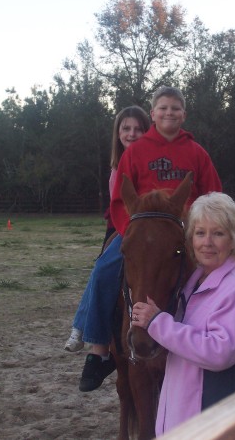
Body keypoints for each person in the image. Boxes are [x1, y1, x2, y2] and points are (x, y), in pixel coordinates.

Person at [70, 85, 222, 393]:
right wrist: (134, 233)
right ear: (152, 114)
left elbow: (213, 193)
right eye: (163, 108)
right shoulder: (136, 152)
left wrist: (204, 226)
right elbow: (118, 200)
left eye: (175, 108)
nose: (169, 113)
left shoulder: (197, 153)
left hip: (188, 230)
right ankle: (98, 349)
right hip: (140, 231)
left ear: (184, 114)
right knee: (103, 272)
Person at [131, 191, 235, 436]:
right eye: (200, 233)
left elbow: (219, 352)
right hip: (185, 419)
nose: (207, 242)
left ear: (233, 239)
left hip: (219, 422)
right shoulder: (193, 284)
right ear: (190, 238)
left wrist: (159, 324)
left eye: (218, 233)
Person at [64, 107, 150, 361]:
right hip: (126, 227)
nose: (132, 134)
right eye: (126, 128)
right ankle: (92, 336)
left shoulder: (151, 161)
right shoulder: (116, 168)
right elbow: (118, 208)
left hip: (152, 226)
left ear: (147, 131)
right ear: (118, 133)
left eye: (138, 128)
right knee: (102, 270)